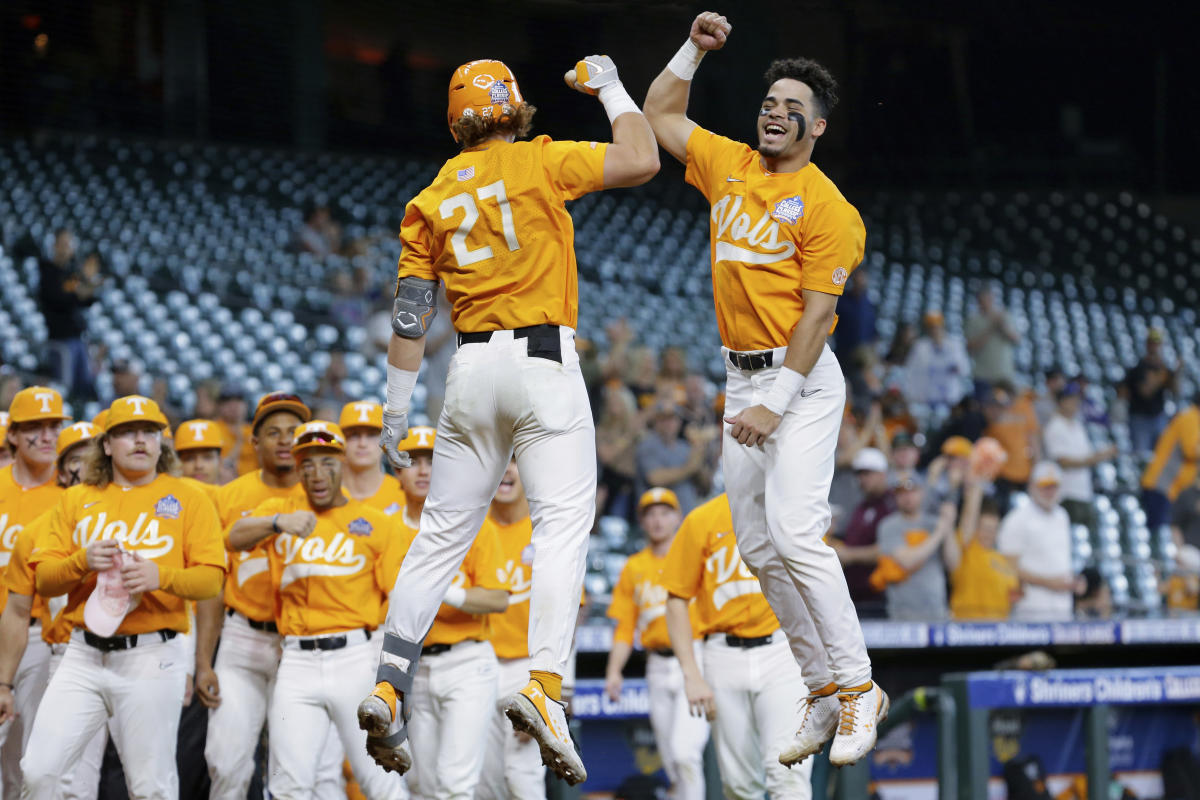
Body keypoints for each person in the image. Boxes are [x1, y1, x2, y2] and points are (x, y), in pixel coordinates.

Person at [359, 52, 659, 785]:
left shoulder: (429, 196)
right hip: (542, 361)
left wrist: (396, 408)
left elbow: (409, 313)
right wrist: (611, 87)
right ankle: (546, 687)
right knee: (561, 525)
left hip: (466, 371)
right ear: (515, 107)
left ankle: (389, 681)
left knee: (436, 540)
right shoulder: (538, 162)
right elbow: (642, 157)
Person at [643, 10, 887, 765]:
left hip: (800, 381)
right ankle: (818, 690)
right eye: (768, 104)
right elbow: (658, 114)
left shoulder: (829, 208)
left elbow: (818, 321)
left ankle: (858, 687)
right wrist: (693, 50)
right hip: (738, 373)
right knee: (754, 542)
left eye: (792, 109)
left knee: (793, 531)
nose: (774, 114)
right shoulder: (731, 165)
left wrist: (772, 403)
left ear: (814, 128)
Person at [21, 395, 226, 800]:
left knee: (151, 788)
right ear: (107, 444)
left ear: (160, 443)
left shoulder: (189, 498)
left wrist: (159, 576)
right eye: (127, 432)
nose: (140, 440)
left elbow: (210, 582)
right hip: (82, 654)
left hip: (151, 655)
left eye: (149, 432)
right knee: (39, 771)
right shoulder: (77, 498)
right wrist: (81, 561)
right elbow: (44, 581)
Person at [227, 421, 406, 800]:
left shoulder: (376, 524)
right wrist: (277, 523)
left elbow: (400, 602)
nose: (317, 473)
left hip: (356, 658)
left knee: (379, 779)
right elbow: (232, 537)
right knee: (289, 784)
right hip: (295, 661)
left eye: (327, 462)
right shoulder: (282, 510)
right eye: (306, 464)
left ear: (342, 463)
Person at [195, 392, 326, 800]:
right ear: (255, 443)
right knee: (225, 761)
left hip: (303, 645)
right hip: (242, 639)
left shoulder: (324, 494)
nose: (285, 440)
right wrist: (203, 661)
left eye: (293, 432)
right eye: (273, 433)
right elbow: (213, 585)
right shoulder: (228, 496)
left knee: (295, 768)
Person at [661, 493, 814, 799]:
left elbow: (817, 582)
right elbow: (676, 598)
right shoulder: (701, 519)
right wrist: (691, 675)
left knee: (788, 772)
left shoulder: (789, 504)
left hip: (781, 650)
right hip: (721, 653)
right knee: (739, 786)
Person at [388, 426, 510, 800]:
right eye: (412, 461)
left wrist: (444, 591)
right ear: (397, 470)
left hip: (466, 662)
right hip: (413, 667)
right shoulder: (385, 529)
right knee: (422, 784)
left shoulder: (474, 524)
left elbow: (498, 599)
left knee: (456, 784)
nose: (423, 470)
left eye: (433, 461)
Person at [1, 422, 103, 800]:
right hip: (62, 652)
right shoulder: (37, 531)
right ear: (61, 472)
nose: (89, 466)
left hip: (137, 654)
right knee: (46, 776)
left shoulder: (135, 520)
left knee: (139, 776)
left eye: (95, 455)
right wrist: (5, 682)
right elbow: (17, 609)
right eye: (78, 459)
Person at [605, 489, 709, 800]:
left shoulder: (696, 557)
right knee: (670, 759)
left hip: (694, 658)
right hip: (657, 664)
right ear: (641, 521)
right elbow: (625, 627)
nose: (657, 520)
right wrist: (613, 671)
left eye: (665, 512)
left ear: (678, 517)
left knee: (684, 752)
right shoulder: (634, 567)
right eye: (650, 514)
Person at [0, 386, 70, 796]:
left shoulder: (71, 500)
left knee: (32, 760)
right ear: (12, 434)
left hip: (40, 637)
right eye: (34, 428)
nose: (46, 437)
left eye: (52, 427)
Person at [477, 460, 550, 800]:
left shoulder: (547, 530)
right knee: (485, 782)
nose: (506, 470)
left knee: (523, 779)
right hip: (478, 663)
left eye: (516, 461)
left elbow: (567, 616)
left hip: (527, 667)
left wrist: (552, 687)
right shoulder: (471, 529)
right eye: (499, 461)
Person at [996, 462, 1082, 621]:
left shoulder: (1062, 516)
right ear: (1031, 487)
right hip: (1031, 608)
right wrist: (1050, 583)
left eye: (1054, 486)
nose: (1049, 492)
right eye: (1044, 486)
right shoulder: (1017, 519)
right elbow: (1007, 567)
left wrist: (1073, 582)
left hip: (1063, 607)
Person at [870, 477, 959, 621]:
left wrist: (947, 526)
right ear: (895, 496)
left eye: (912, 491)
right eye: (902, 493)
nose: (907, 497)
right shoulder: (888, 526)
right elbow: (907, 561)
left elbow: (953, 564)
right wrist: (940, 531)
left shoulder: (935, 522)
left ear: (922, 493)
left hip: (937, 612)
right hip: (903, 615)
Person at [38, 229, 101, 403]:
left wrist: (88, 284)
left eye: (69, 245)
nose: (67, 249)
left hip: (78, 338)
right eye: (63, 244)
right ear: (55, 246)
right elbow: (57, 299)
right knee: (65, 389)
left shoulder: (72, 273)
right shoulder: (48, 271)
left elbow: (87, 301)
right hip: (61, 340)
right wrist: (79, 293)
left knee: (85, 387)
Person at [1042, 383, 1117, 530]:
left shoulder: (1077, 425)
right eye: (1071, 399)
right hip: (1066, 493)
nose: (1075, 403)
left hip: (1083, 491)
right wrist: (1094, 460)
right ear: (1061, 401)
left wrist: (1103, 454)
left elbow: (1086, 455)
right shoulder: (1055, 426)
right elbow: (1063, 462)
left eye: (1077, 399)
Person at [831, 448, 894, 617]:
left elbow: (889, 549)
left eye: (867, 474)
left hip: (878, 595)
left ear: (882, 474)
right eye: (859, 474)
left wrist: (849, 555)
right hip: (855, 594)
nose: (862, 479)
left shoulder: (891, 505)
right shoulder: (862, 506)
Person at [949, 478, 1020, 620]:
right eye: (985, 528)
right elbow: (967, 524)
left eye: (994, 529)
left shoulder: (1002, 558)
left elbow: (1013, 593)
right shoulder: (967, 549)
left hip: (999, 626)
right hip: (968, 623)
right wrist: (976, 487)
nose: (990, 534)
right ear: (976, 528)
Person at [635, 403, 718, 515]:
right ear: (656, 422)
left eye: (673, 419)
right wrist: (690, 467)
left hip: (687, 516)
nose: (668, 423)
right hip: (656, 520)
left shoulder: (685, 447)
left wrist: (701, 463)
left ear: (679, 422)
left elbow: (705, 487)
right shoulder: (647, 445)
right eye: (663, 419)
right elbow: (655, 478)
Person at [338, 402, 406, 515]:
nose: (362, 444)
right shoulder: (324, 491)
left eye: (371, 435)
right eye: (354, 435)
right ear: (341, 440)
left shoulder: (404, 493)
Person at [1123, 329, 1177, 455]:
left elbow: (1175, 391)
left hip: (1158, 417)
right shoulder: (1139, 367)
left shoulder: (1163, 368)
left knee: (1161, 456)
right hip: (1140, 419)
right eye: (1152, 343)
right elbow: (1146, 392)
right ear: (1147, 344)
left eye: (1158, 343)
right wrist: (1161, 376)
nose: (1155, 347)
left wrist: (1175, 375)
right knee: (1142, 457)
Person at [904, 310, 970, 412]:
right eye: (931, 327)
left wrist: (956, 368)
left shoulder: (955, 345)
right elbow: (911, 371)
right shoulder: (920, 346)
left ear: (943, 326)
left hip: (949, 399)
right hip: (925, 398)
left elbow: (965, 370)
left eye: (937, 326)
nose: (934, 330)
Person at [965, 287, 1019, 393]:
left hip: (1004, 374)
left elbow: (1016, 340)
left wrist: (1002, 326)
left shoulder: (1004, 316)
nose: (986, 303)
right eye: (982, 300)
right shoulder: (973, 320)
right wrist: (991, 327)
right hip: (982, 374)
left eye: (988, 300)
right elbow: (970, 348)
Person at [214, 383, 257, 479]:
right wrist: (239, 442)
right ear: (219, 406)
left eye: (239, 400)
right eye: (228, 401)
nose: (234, 406)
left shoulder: (255, 431)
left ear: (247, 404)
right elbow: (221, 467)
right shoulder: (212, 429)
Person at [174, 419, 225, 487]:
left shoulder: (232, 497)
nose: (198, 465)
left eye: (207, 457)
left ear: (220, 462)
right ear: (177, 463)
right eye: (189, 458)